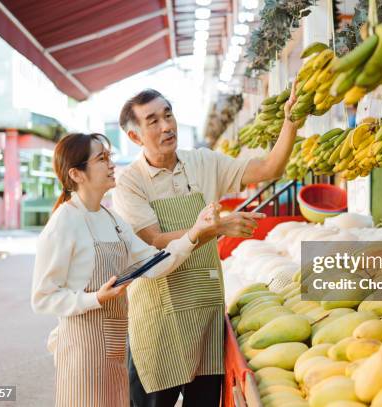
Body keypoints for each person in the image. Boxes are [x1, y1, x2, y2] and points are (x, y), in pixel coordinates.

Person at [113, 84, 298, 407]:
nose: (167, 126)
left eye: (168, 115)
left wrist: (291, 122)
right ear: (135, 137)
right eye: (153, 121)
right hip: (160, 326)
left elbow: (269, 169)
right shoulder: (130, 183)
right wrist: (216, 227)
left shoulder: (202, 162)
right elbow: (155, 242)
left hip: (205, 322)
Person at [31, 133, 219, 407]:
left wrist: (194, 234)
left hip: (115, 350)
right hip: (82, 353)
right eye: (101, 159)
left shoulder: (112, 219)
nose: (111, 164)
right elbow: (42, 297)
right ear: (77, 173)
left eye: (109, 157)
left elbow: (154, 264)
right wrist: (95, 298)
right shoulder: (63, 222)